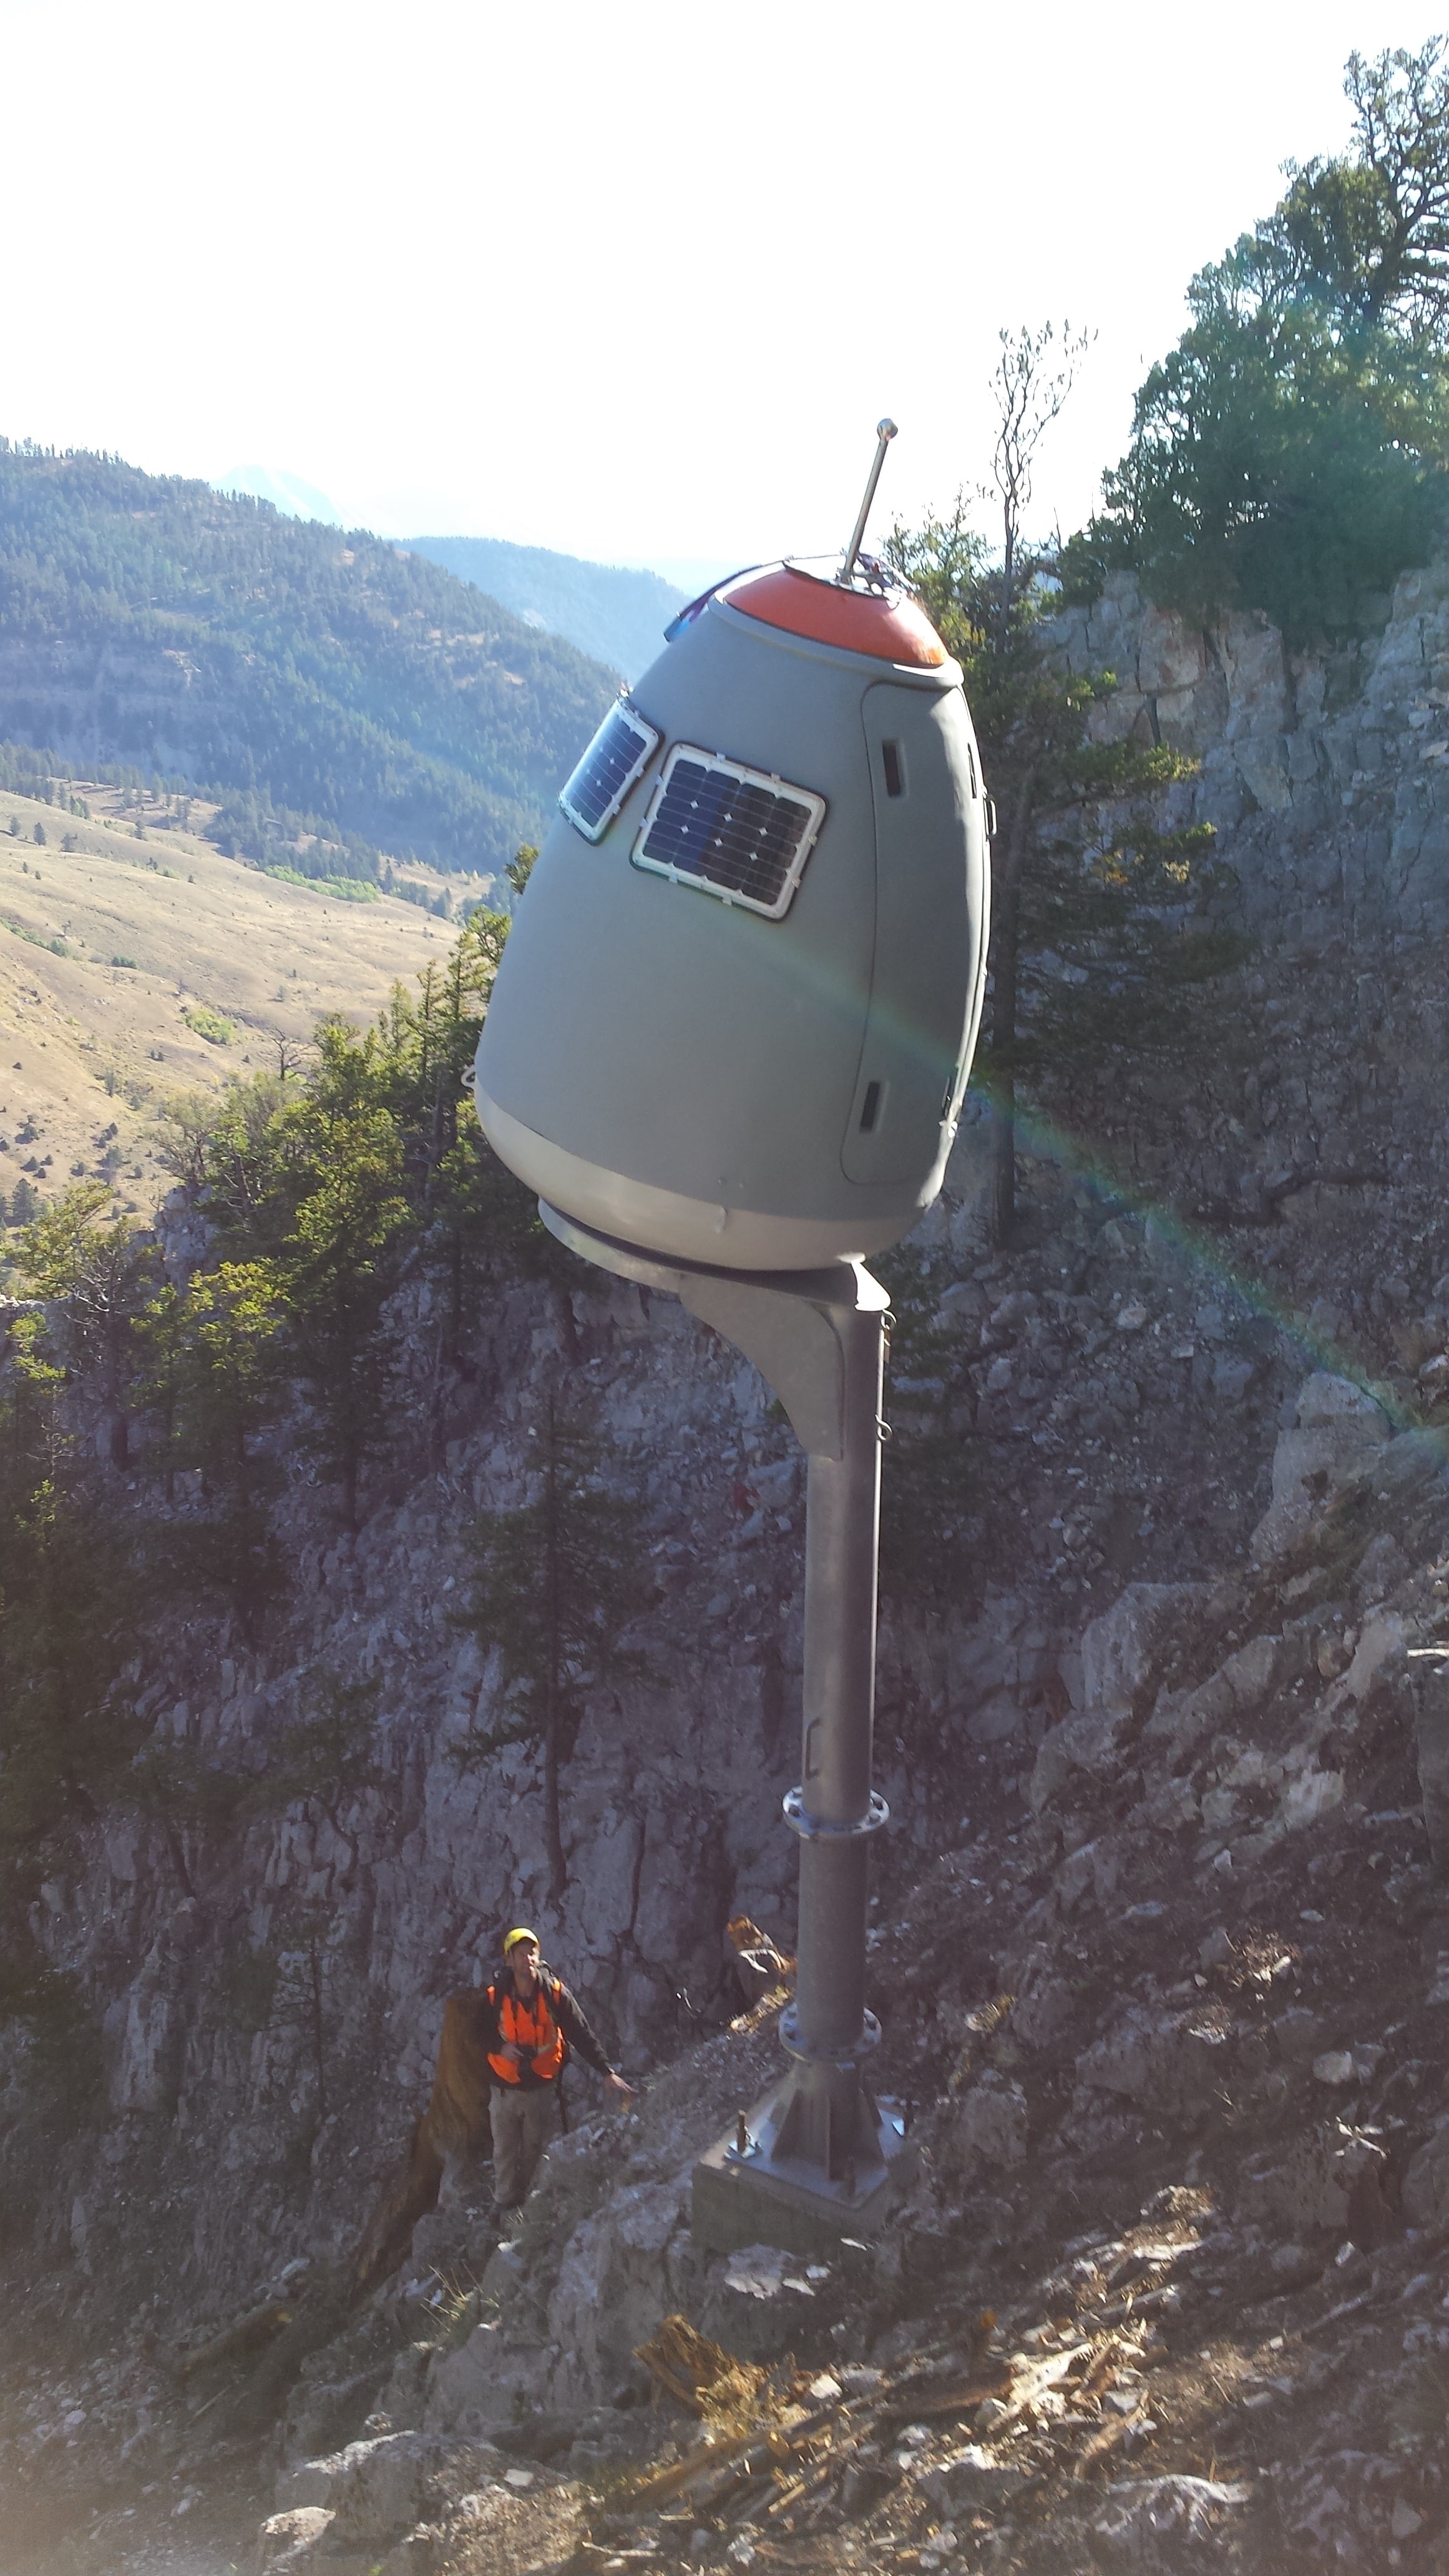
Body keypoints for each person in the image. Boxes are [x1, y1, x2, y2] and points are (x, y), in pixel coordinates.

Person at [482, 1927, 633, 2211]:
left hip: (540, 2086)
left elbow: (581, 2032)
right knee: (504, 2149)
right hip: (504, 2087)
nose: (528, 1958)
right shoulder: (494, 1997)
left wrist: (606, 2071)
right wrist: (499, 2048)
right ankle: (503, 2202)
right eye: (521, 1953)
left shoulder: (554, 1995)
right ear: (509, 1960)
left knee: (533, 2148)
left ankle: (523, 2203)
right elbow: (476, 2033)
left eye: (533, 1952)